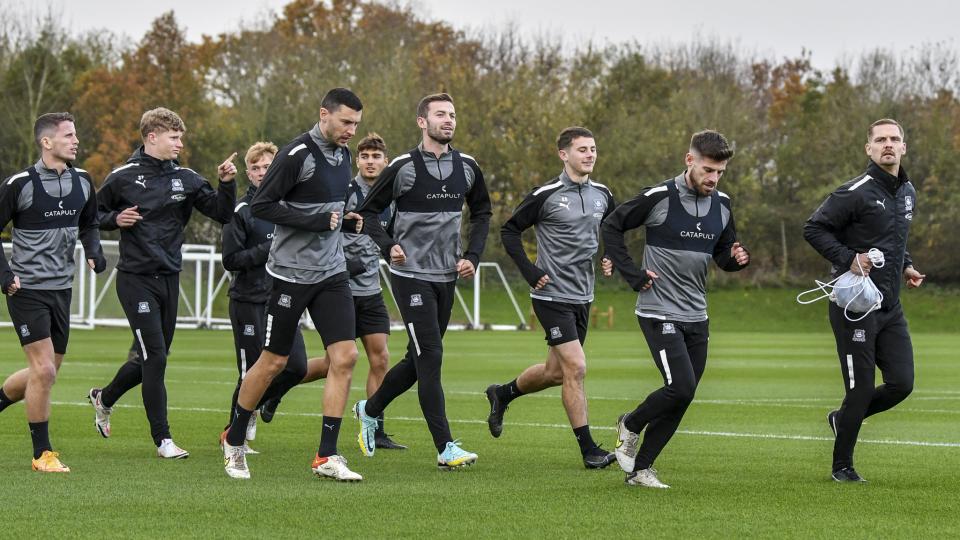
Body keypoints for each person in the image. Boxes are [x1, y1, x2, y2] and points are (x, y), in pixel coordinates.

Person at [221, 88, 365, 482]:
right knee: (274, 362)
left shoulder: (342, 154)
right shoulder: (297, 154)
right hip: (289, 275)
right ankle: (234, 440)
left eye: (356, 123)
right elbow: (262, 206)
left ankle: (326, 456)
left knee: (346, 357)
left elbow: (327, 208)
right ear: (324, 114)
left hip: (331, 272)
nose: (351, 130)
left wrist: (345, 218)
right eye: (345, 122)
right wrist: (316, 221)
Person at [602, 130, 749, 488]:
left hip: (697, 314)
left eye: (720, 172)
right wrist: (633, 274)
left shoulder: (723, 205)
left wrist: (736, 261)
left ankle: (641, 470)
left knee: (683, 396)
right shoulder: (659, 197)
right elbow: (611, 225)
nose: (713, 178)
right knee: (680, 387)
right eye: (707, 169)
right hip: (658, 310)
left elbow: (722, 254)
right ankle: (629, 424)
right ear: (689, 161)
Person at [87, 107, 237, 458]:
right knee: (155, 356)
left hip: (169, 279)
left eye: (181, 137)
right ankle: (163, 440)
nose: (180, 143)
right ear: (152, 137)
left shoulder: (186, 178)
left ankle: (103, 397)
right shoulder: (122, 177)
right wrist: (114, 218)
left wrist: (228, 184)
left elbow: (223, 213)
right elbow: (90, 215)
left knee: (150, 357)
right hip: (135, 280)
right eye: (174, 137)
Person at [353, 93, 491, 470]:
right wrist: (388, 246)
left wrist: (473, 256)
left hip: (446, 276)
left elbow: (482, 212)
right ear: (421, 121)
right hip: (410, 276)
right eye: (441, 114)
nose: (449, 120)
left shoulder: (467, 167)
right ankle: (446, 447)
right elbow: (367, 212)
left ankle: (370, 408)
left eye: (453, 114)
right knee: (431, 355)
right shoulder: (402, 167)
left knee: (417, 360)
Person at [258, 132, 405, 450]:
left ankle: (375, 427)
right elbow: (329, 230)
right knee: (331, 363)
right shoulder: (346, 190)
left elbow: (384, 233)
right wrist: (346, 263)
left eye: (376, 156)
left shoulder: (389, 198)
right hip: (338, 285)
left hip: (371, 288)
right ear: (358, 161)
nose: (370, 161)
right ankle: (276, 390)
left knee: (380, 358)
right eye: (364, 156)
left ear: (385, 161)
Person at [485, 126, 617, 469]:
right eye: (582, 149)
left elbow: (613, 229)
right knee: (576, 367)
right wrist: (530, 271)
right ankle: (589, 450)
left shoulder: (603, 194)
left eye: (593, 149)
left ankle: (503, 393)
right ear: (564, 154)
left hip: (583, 295)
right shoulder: (546, 194)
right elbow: (509, 230)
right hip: (550, 295)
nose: (590, 155)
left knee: (555, 372)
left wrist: (611, 256)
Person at [803, 118, 923, 483]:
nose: (888, 144)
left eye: (895, 139)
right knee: (860, 389)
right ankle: (843, 466)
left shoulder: (907, 192)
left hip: (890, 306)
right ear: (869, 148)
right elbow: (814, 228)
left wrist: (907, 266)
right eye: (880, 139)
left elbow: (894, 239)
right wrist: (848, 257)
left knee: (902, 383)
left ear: (903, 147)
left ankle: (842, 419)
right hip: (854, 306)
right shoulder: (854, 191)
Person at [0, 112, 106, 472]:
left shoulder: (83, 181)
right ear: (47, 142)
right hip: (26, 289)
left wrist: (93, 250)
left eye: (76, 134)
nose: (76, 141)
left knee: (45, 372)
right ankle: (42, 454)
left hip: (63, 289)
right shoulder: (19, 184)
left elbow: (90, 222)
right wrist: (4, 274)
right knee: (43, 370)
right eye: (68, 135)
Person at [220, 141, 309, 454]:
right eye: (255, 168)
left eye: (267, 167)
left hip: (284, 298)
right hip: (248, 301)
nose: (261, 173)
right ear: (248, 173)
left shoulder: (288, 209)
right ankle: (233, 436)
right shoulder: (241, 212)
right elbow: (231, 259)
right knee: (249, 372)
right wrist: (266, 251)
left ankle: (263, 403)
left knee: (297, 367)